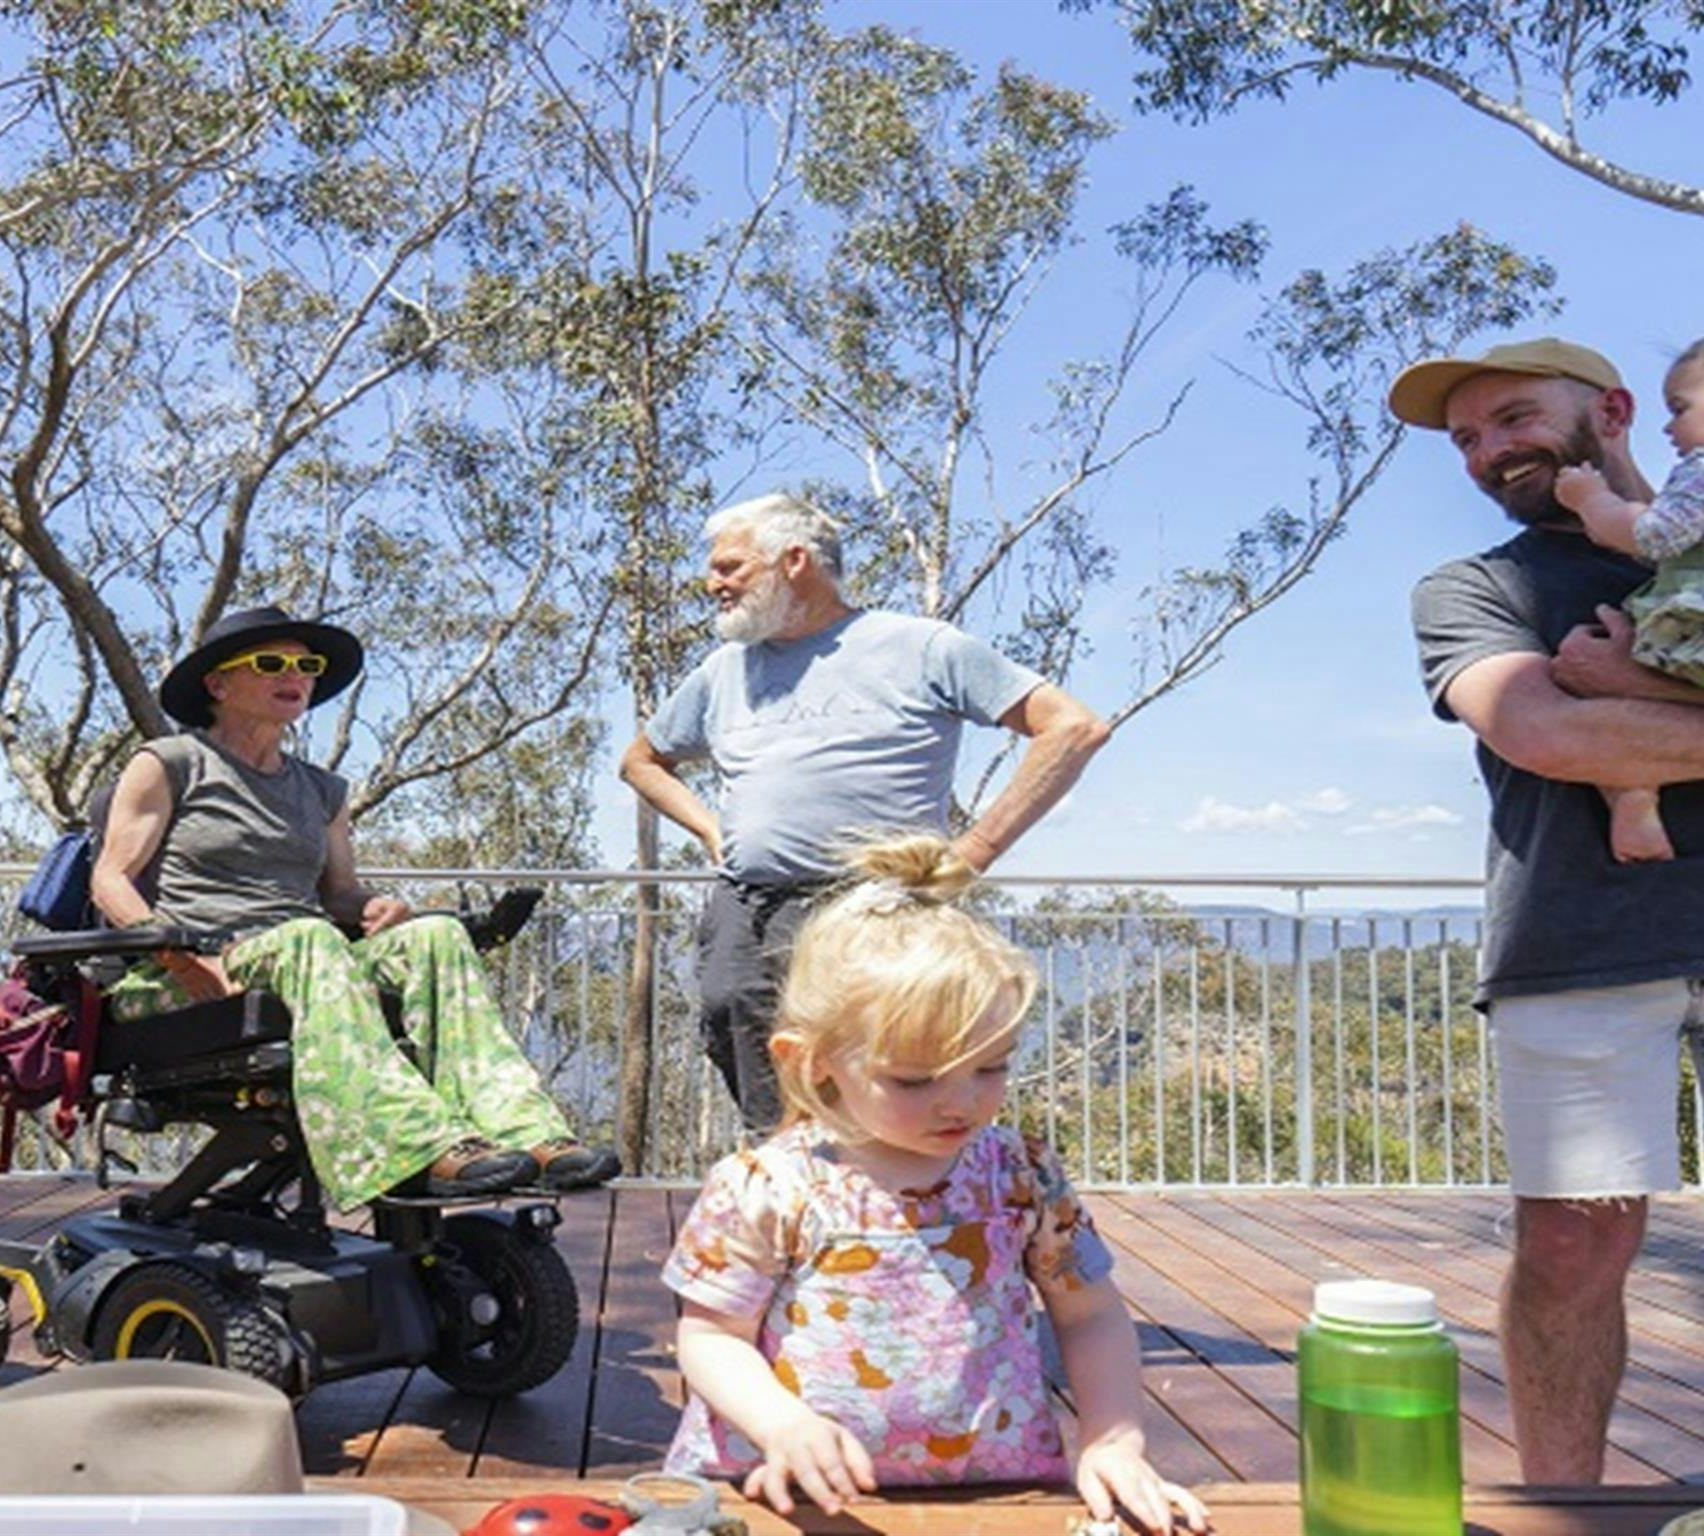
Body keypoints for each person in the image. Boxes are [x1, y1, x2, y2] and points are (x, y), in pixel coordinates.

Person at [660, 835, 1206, 1535]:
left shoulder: (1020, 1173)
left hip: (999, 1496)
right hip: (782, 1495)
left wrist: (1112, 1439)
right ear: (814, 1060)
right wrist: (783, 1425)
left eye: (993, 1067)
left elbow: (1089, 1312)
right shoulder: (766, 1185)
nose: (963, 1103)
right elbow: (710, 1336)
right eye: (914, 1079)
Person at [1395, 335, 1704, 1483]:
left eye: (1511, 419)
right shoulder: (1472, 588)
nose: (1487, 452)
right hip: (1574, 941)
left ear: (1615, 411)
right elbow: (1543, 732)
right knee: (1573, 1242)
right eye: (1467, 439)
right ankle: (1561, 1505)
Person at [90, 605, 619, 1208]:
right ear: (218, 684)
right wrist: (178, 955)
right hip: (187, 973)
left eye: (306, 665)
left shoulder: (321, 790)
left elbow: (339, 894)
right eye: (270, 664)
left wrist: (378, 907)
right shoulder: (169, 763)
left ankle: (525, 1132)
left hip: (299, 958)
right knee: (308, 940)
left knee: (435, 936)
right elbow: (110, 879)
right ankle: (413, 1145)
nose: (295, 676)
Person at [620, 493, 1108, 1134]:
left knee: (879, 1067)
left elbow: (1072, 728)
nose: (713, 583)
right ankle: (791, 1192)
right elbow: (642, 761)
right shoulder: (723, 671)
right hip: (749, 902)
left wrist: (976, 851)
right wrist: (714, 831)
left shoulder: (921, 647)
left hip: (875, 905)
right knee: (734, 1021)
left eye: (731, 567)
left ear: (794, 561)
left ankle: (889, 1209)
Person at [1548, 337, 1704, 863]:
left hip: (1687, 631)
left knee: (1589, 679)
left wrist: (1593, 501)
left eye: (1679, 409)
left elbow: (1654, 535)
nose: (1669, 428)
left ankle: (1633, 794)